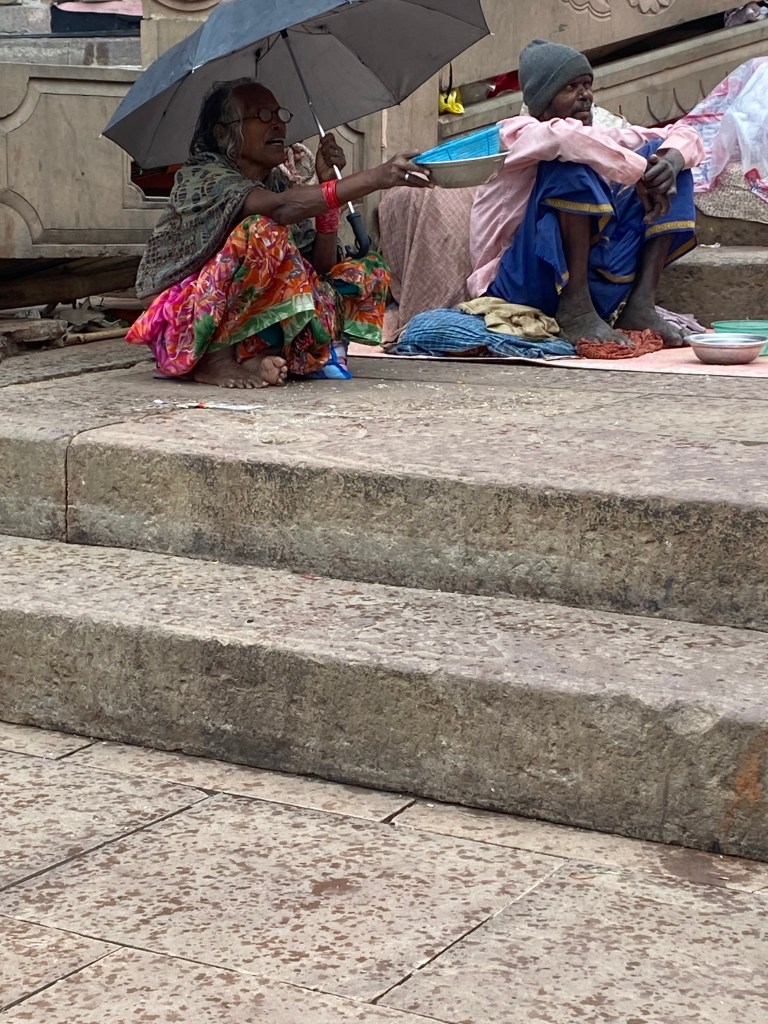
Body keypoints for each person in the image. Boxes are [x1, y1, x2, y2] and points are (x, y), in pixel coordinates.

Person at [127, 79, 431, 387]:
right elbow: (280, 209)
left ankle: (257, 355)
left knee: (367, 271)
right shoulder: (202, 175)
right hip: (180, 320)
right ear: (222, 133)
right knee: (262, 232)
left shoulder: (275, 181)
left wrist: (328, 188)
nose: (277, 124)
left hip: (236, 317)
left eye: (279, 114)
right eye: (261, 115)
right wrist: (376, 177)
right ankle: (213, 361)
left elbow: (319, 268)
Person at [468, 39, 705, 348]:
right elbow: (564, 139)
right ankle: (576, 308)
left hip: (592, 277)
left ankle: (640, 305)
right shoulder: (516, 132)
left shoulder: (596, 135)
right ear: (543, 101)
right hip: (517, 283)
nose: (585, 96)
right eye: (570, 88)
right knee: (568, 163)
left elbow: (685, 134)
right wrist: (638, 172)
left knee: (668, 160)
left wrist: (669, 162)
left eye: (587, 85)